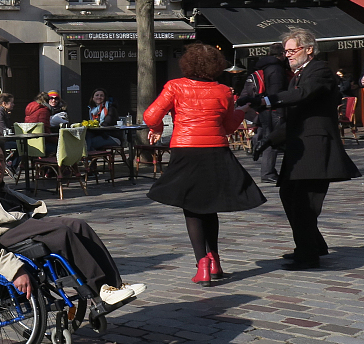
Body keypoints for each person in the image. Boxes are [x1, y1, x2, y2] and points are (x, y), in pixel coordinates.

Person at [0, 137, 146, 306]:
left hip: (25, 227)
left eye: (0, 158)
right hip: (4, 238)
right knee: (61, 233)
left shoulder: (1, 190)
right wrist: (14, 270)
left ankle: (114, 285)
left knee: (79, 226)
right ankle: (100, 289)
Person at [145, 43, 265, 286]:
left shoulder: (175, 87)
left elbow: (151, 116)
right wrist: (241, 111)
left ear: (187, 63)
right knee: (211, 207)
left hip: (186, 150)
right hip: (216, 151)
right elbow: (228, 127)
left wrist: (157, 129)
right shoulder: (223, 91)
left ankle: (202, 264)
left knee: (192, 207)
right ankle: (215, 261)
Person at [240, 28, 360, 270]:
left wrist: (266, 100)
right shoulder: (298, 75)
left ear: (309, 49)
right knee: (289, 195)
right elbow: (296, 116)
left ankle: (308, 255)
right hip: (300, 147)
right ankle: (313, 244)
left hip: (316, 147)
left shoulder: (320, 70)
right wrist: (270, 140)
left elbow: (303, 95)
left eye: (292, 50)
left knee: (304, 203)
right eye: (286, 52)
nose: (288, 55)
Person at [250, 43, 289, 183]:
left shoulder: (263, 66)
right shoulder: (276, 69)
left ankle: (267, 168)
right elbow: (276, 92)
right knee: (272, 139)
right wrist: (282, 111)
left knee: (268, 136)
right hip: (273, 109)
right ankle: (268, 172)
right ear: (282, 54)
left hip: (264, 108)